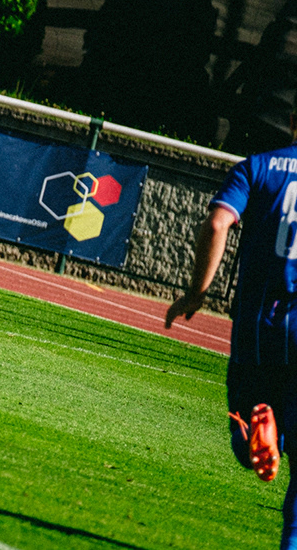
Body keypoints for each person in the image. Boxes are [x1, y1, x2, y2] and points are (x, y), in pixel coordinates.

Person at [166, 110, 297, 549]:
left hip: (257, 325)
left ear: (293, 120)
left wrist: (196, 293)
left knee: (246, 430)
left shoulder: (256, 167)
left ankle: (263, 433)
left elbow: (217, 223)